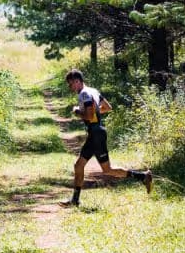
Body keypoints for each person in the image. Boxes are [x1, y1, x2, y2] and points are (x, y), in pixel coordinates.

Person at [62, 69, 152, 207]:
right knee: (79, 165)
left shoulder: (84, 94)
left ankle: (143, 176)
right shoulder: (93, 91)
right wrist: (95, 113)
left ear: (77, 81)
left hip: (96, 134)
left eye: (70, 84)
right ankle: (75, 200)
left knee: (107, 170)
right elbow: (108, 107)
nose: (70, 87)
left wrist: (78, 112)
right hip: (96, 133)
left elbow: (89, 116)